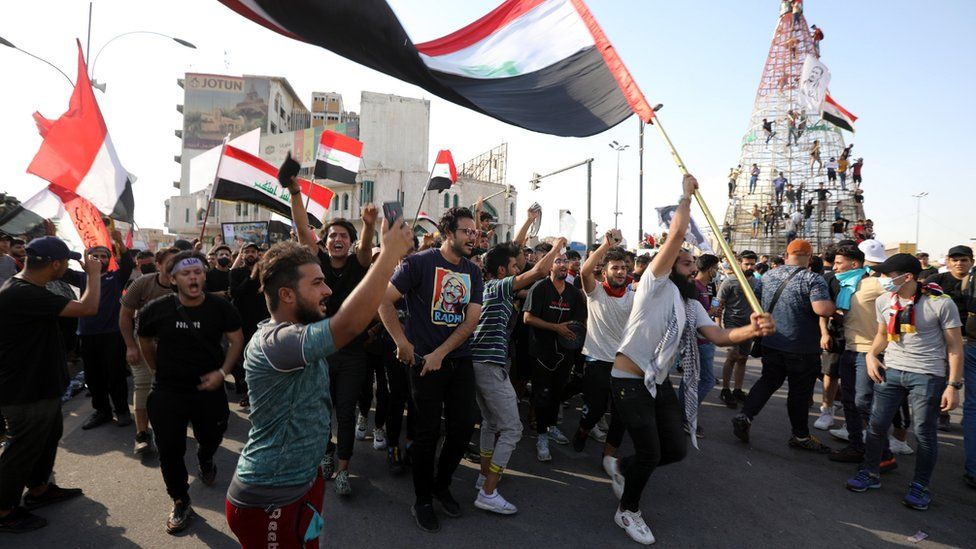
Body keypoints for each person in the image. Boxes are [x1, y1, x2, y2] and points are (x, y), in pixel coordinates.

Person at [225, 179, 413, 548]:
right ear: (286, 294)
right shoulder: (277, 342)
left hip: (304, 484)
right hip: (269, 498)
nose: (328, 290)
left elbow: (309, 246)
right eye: (317, 283)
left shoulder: (300, 330)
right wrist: (389, 255)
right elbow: (347, 324)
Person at [610, 174, 774, 545]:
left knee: (675, 449)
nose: (688, 266)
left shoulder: (689, 304)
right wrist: (685, 196)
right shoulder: (654, 284)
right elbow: (676, 234)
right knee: (651, 451)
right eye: (682, 262)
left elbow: (718, 336)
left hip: (658, 383)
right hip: (628, 380)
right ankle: (628, 510)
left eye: (689, 263)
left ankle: (625, 467)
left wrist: (752, 330)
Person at [378, 207, 484, 534]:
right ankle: (422, 499)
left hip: (457, 359)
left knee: (464, 427)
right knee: (426, 433)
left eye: (475, 232)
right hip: (423, 366)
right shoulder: (418, 263)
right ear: (448, 233)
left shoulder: (473, 271)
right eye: (467, 231)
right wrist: (401, 341)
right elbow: (383, 301)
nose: (473, 237)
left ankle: (442, 484)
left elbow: (471, 320)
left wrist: (442, 352)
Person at [137, 250, 245, 534]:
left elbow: (236, 340)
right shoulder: (156, 309)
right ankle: (180, 499)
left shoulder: (221, 308)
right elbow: (144, 338)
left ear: (204, 275)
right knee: (170, 449)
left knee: (211, 436)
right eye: (186, 273)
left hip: (208, 390)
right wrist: (156, 369)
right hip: (168, 391)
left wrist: (222, 373)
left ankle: (206, 456)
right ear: (173, 280)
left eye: (198, 272)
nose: (193, 277)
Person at [845, 254, 963, 511]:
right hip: (892, 371)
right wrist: (871, 355)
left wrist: (953, 386)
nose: (882, 279)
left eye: (888, 275)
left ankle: (920, 485)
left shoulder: (941, 303)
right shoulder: (884, 300)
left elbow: (955, 347)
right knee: (876, 425)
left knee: (924, 433)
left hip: (928, 376)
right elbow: (881, 335)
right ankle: (870, 472)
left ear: (907, 276)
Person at [0, 237, 100, 533]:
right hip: (25, 389)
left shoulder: (29, 289)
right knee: (23, 447)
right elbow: (87, 308)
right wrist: (93, 275)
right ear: (55, 264)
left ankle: (39, 489)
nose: (69, 266)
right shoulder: (23, 292)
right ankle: (4, 509)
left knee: (46, 437)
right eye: (66, 262)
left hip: (40, 384)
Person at [469, 238, 564, 515]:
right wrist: (557, 248)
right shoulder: (498, 287)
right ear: (501, 272)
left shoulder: (486, 288)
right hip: (489, 366)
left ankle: (483, 477)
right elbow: (535, 274)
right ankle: (488, 492)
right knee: (512, 429)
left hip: (479, 365)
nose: (517, 269)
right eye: (513, 266)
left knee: (489, 423)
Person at [293, 187, 378, 496]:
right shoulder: (317, 265)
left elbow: (367, 251)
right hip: (319, 351)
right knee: (319, 410)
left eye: (343, 235)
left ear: (349, 241)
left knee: (345, 411)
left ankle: (343, 468)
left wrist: (368, 225)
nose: (337, 239)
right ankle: (325, 451)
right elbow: (303, 230)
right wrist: (294, 193)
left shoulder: (358, 264)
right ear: (325, 242)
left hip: (353, 353)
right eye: (332, 235)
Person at [733, 239, 837, 452]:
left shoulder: (769, 274)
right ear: (810, 256)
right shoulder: (812, 278)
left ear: (787, 254)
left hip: (772, 341)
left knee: (768, 381)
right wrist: (836, 305)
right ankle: (800, 436)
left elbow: (758, 301)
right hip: (802, 346)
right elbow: (822, 309)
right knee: (799, 392)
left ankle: (746, 415)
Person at [572, 235, 633, 468]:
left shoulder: (633, 297)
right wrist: (607, 244)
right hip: (597, 360)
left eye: (624, 268)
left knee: (621, 416)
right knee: (595, 409)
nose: (620, 272)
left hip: (624, 364)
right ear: (605, 271)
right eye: (615, 267)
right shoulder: (595, 292)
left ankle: (608, 459)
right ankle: (583, 430)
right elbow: (585, 271)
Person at [63, 232, 135, 430]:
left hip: (112, 334)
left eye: (104, 256)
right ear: (87, 259)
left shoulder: (116, 277)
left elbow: (128, 264)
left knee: (116, 375)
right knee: (93, 377)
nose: (101, 259)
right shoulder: (81, 278)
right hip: (87, 335)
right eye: (96, 256)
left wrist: (119, 242)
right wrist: (59, 243)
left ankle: (122, 411)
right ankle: (102, 411)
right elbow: (60, 269)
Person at [523, 245, 587, 462]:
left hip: (565, 353)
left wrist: (574, 331)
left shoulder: (573, 293)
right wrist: (556, 327)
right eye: (558, 261)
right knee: (541, 394)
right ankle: (541, 435)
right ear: (549, 265)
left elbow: (579, 321)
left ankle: (551, 427)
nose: (562, 265)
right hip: (542, 352)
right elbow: (528, 318)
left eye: (564, 261)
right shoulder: (540, 288)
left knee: (557, 393)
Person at [119, 247, 179, 455]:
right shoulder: (142, 284)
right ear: (158, 265)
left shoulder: (186, 284)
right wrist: (130, 346)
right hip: (143, 344)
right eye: (170, 263)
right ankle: (142, 434)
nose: (175, 268)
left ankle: (170, 428)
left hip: (174, 347)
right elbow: (125, 316)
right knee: (143, 387)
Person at [924, 245, 974, 433]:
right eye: (955, 260)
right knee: (944, 379)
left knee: (971, 383)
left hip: (971, 340)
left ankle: (969, 416)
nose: (959, 263)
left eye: (964, 260)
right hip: (945, 340)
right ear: (948, 261)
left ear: (971, 262)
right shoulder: (937, 280)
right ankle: (942, 415)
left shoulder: (974, 282)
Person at [717, 251, 760, 407]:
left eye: (752, 264)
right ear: (739, 263)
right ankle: (725, 390)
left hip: (748, 326)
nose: (750, 266)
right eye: (747, 263)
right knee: (733, 356)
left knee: (743, 358)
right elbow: (718, 302)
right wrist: (717, 323)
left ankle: (737, 390)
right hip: (732, 324)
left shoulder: (757, 283)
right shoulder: (729, 282)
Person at [229, 243, 270, 407]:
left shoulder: (265, 272)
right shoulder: (236, 273)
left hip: (262, 322)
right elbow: (236, 293)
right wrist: (252, 277)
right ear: (242, 255)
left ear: (258, 254)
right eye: (246, 252)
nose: (250, 254)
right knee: (246, 359)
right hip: (243, 322)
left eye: (253, 251)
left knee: (262, 358)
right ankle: (248, 392)